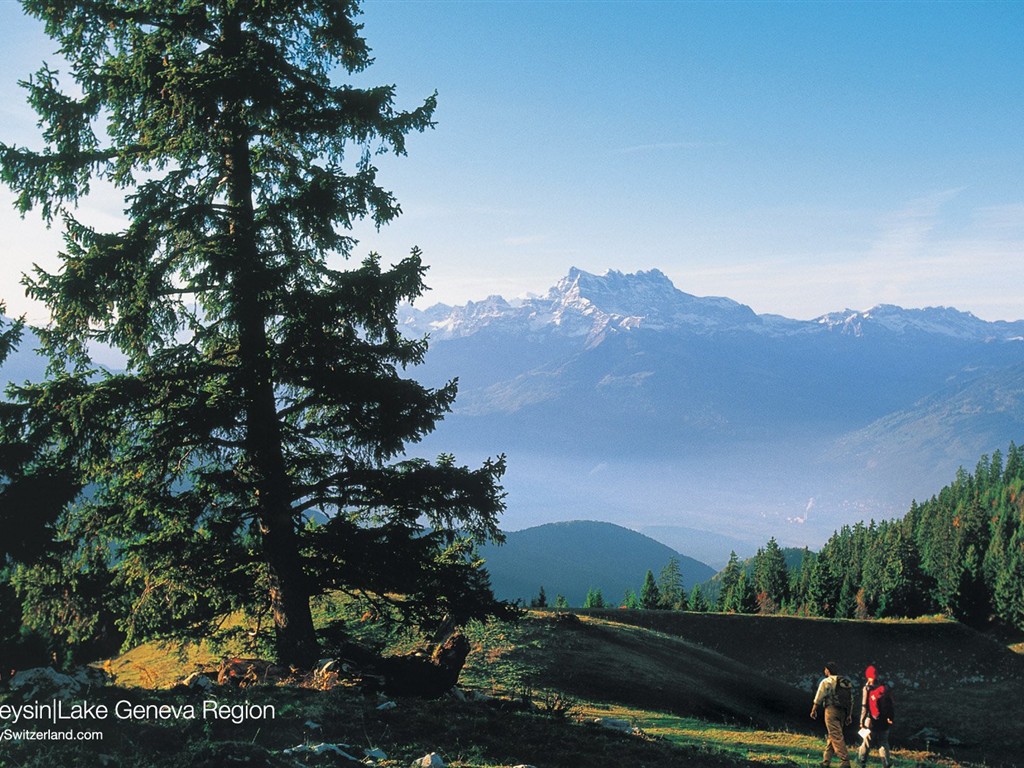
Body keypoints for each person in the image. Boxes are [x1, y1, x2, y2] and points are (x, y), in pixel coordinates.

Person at [810, 661, 853, 768]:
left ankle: (845, 761)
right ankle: (826, 761)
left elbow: (819, 697)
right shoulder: (845, 682)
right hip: (843, 711)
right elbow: (851, 700)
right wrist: (849, 714)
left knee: (836, 735)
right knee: (833, 735)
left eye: (825, 669)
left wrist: (813, 710)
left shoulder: (827, 681)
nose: (824, 671)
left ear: (828, 670)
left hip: (831, 710)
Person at [858, 665, 894, 768]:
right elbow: (890, 704)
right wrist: (890, 718)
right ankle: (886, 763)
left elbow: (864, 706)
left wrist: (861, 721)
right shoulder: (884, 687)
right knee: (883, 742)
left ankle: (861, 762)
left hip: (871, 721)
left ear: (867, 676)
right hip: (884, 721)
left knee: (866, 743)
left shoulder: (867, 688)